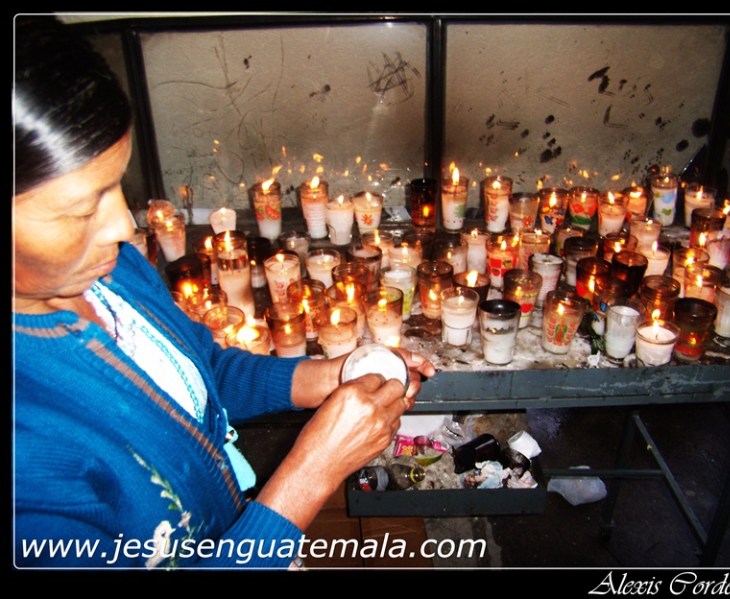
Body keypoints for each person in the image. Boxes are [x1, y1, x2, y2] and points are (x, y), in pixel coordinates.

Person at [12, 15, 435, 569]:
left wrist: (330, 376)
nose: (122, 226)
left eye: (117, 185)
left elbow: (201, 371)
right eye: (79, 209)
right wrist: (311, 473)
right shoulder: (26, 458)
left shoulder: (112, 272)